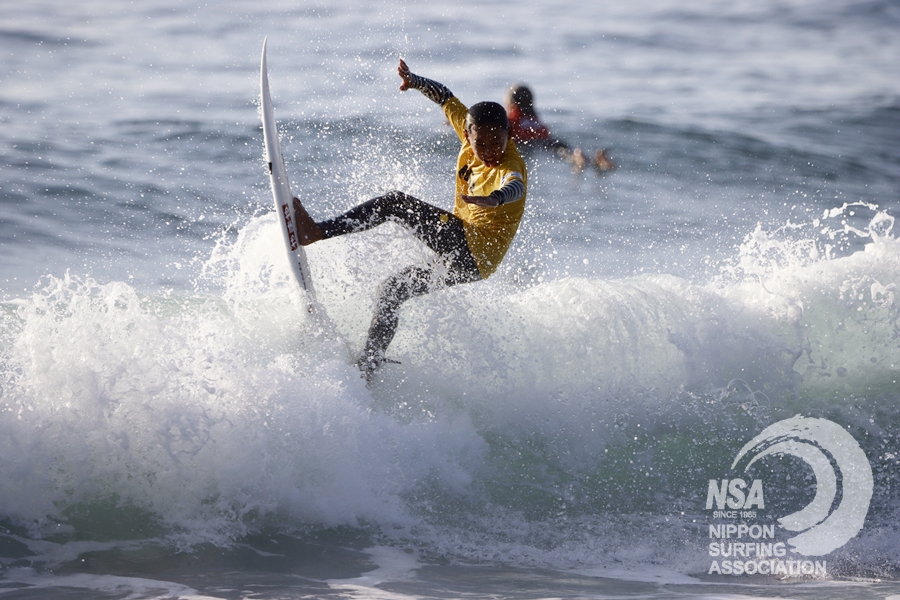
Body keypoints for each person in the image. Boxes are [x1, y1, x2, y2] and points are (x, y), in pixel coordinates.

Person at [291, 59, 528, 381]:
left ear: (508, 136)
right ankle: (369, 365)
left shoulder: (509, 165)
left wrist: (495, 198)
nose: (488, 150)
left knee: (394, 203)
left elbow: (515, 185)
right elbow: (445, 96)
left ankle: (317, 232)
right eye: (480, 144)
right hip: (477, 265)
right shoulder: (469, 129)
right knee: (392, 290)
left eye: (496, 143)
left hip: (473, 248)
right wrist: (414, 81)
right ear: (466, 134)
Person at [504, 84, 615, 173]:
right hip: (548, 142)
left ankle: (579, 158)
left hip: (528, 145)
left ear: (510, 103)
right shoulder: (536, 120)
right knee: (566, 153)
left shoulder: (510, 120)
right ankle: (592, 158)